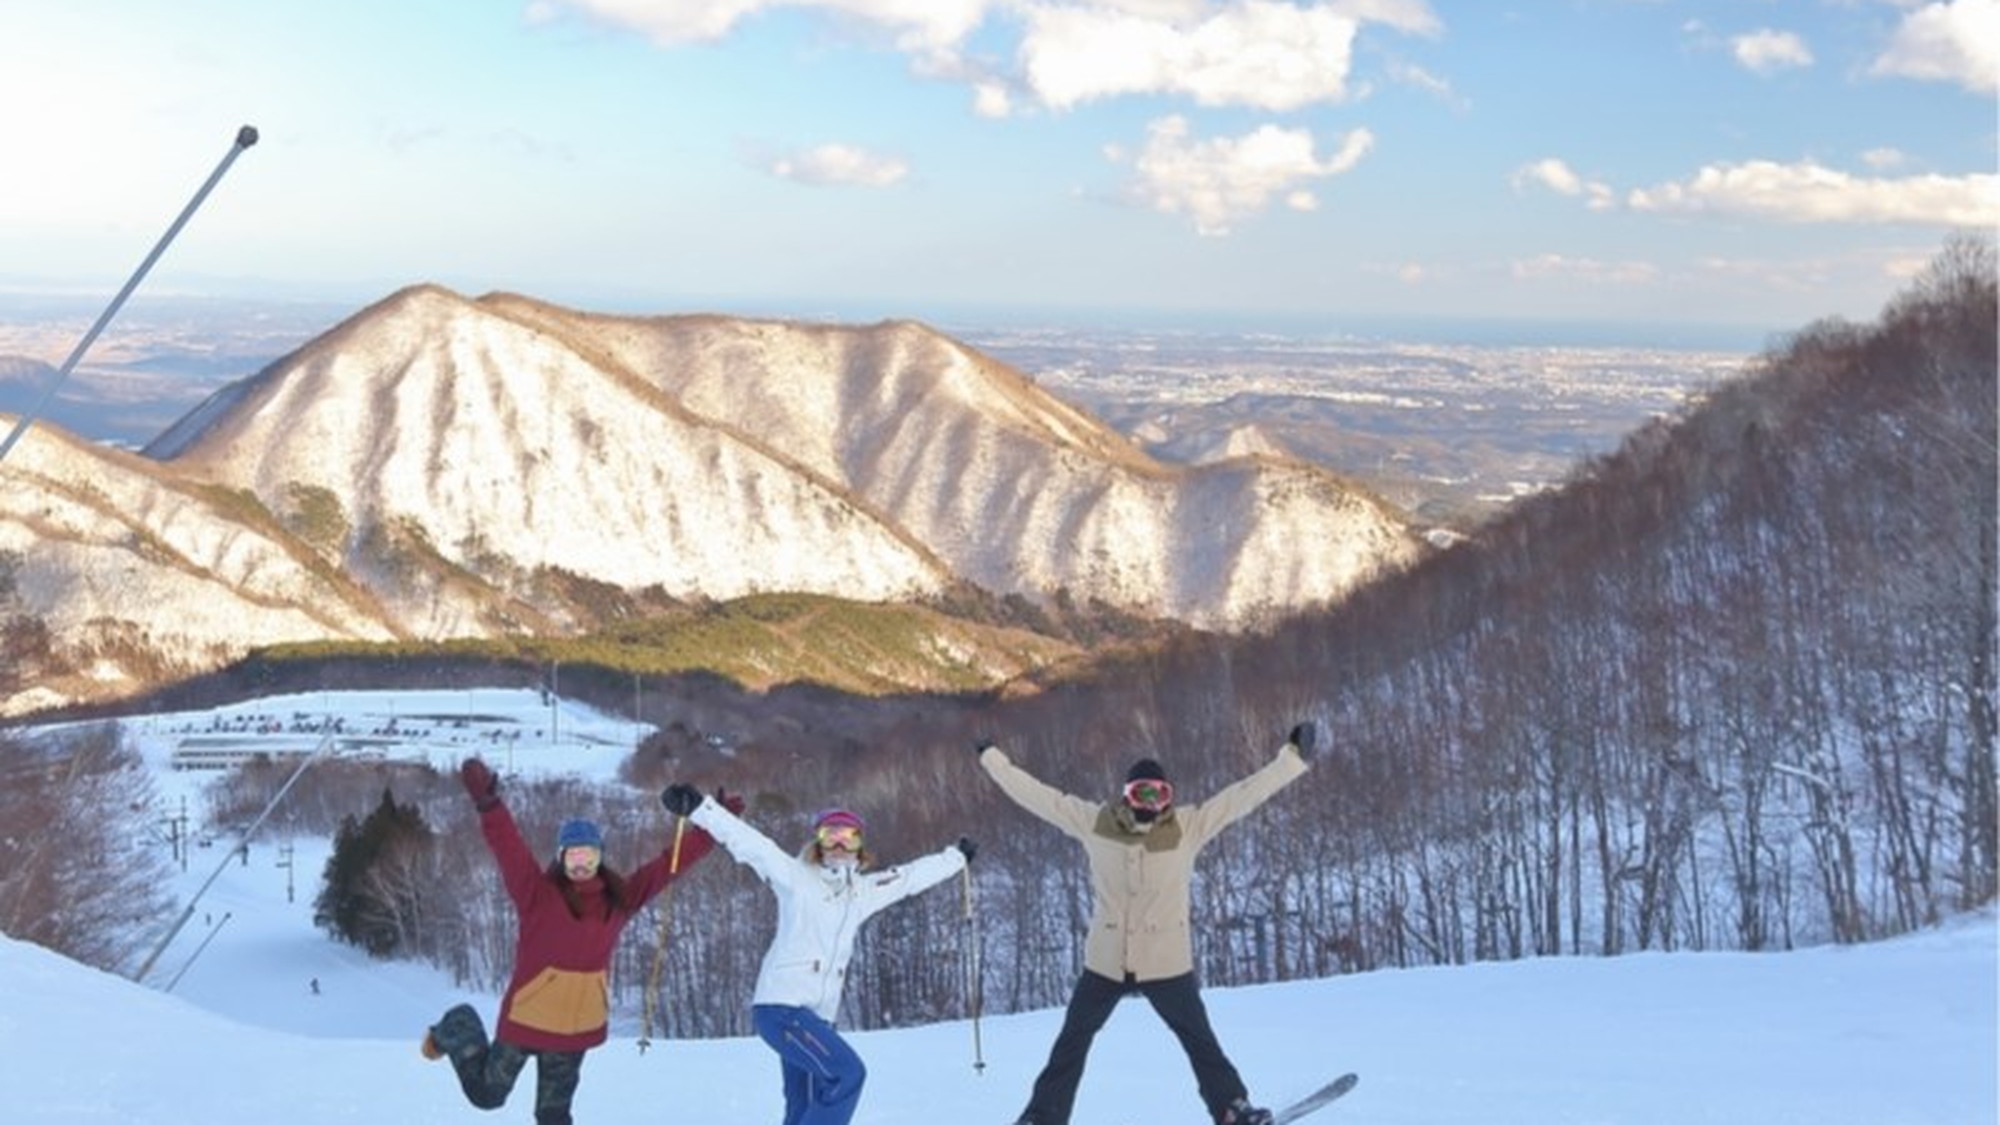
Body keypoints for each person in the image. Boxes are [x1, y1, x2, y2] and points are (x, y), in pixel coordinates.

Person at [972, 722, 1320, 1125]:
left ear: (1168, 798)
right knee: (1072, 1042)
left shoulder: (1186, 827)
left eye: (1160, 794)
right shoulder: (1094, 822)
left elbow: (1241, 796)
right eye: (1142, 793)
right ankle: (1042, 1117)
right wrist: (992, 760)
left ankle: (1231, 1109)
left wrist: (1292, 760)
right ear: (1127, 795)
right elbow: (1037, 796)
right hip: (1106, 963)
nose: (1151, 803)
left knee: (1200, 1040)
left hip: (1165, 962)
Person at [422, 757, 737, 1125]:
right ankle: (458, 1024)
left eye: (589, 854)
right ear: (561, 857)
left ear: (600, 857)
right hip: (528, 1018)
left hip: (574, 1029)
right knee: (487, 1097)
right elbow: (509, 848)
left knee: (554, 1116)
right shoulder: (536, 893)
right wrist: (489, 805)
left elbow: (668, 863)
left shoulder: (620, 899)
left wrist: (715, 826)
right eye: (574, 854)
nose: (581, 862)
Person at [660, 783, 975, 1125]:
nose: (839, 845)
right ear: (818, 843)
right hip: (782, 1009)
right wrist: (700, 809)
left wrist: (956, 857)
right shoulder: (796, 878)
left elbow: (909, 878)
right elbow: (751, 845)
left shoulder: (863, 893)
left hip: (817, 1018)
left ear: (859, 846)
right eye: (830, 836)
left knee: (804, 1104)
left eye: (848, 838)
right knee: (847, 1075)